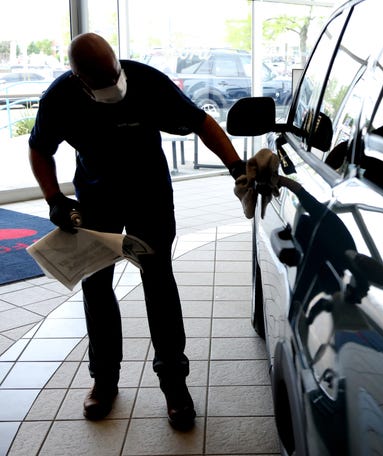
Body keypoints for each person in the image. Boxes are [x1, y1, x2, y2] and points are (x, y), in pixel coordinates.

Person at [28, 32, 246, 431]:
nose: (114, 87)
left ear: (118, 63)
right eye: (102, 83)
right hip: (96, 203)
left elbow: (201, 122)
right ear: (79, 80)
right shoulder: (60, 98)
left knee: (158, 283)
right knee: (96, 289)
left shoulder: (146, 82)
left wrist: (236, 167)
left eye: (115, 75)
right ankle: (104, 381)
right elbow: (40, 148)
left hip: (150, 199)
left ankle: (174, 386)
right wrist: (54, 199)